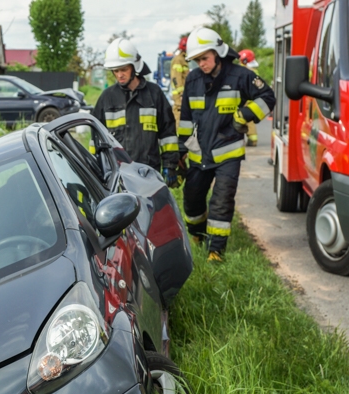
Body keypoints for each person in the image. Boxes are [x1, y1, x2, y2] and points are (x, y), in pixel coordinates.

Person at [178, 27, 275, 261]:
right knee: (192, 201)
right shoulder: (193, 79)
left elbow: (268, 97)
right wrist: (180, 151)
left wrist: (244, 115)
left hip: (228, 154)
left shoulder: (240, 76)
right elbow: (186, 118)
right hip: (199, 155)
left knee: (221, 201)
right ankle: (198, 234)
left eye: (205, 58)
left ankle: (215, 250)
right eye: (197, 60)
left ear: (218, 52)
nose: (201, 64)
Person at [92, 38, 180, 187]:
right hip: (117, 175)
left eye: (124, 69)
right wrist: (95, 168)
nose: (119, 75)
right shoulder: (107, 98)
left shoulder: (154, 94)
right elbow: (95, 139)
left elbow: (168, 134)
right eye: (116, 70)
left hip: (149, 173)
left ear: (135, 67)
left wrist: (170, 166)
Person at [239, 49, 260, 147]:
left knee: (247, 119)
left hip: (247, 99)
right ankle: (252, 138)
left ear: (245, 60)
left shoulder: (246, 72)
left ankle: (252, 139)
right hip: (252, 99)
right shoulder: (253, 71)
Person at [170, 36, 189, 128]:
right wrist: (181, 93)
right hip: (180, 98)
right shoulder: (179, 60)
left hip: (183, 96)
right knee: (179, 119)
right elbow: (176, 78)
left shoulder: (184, 60)